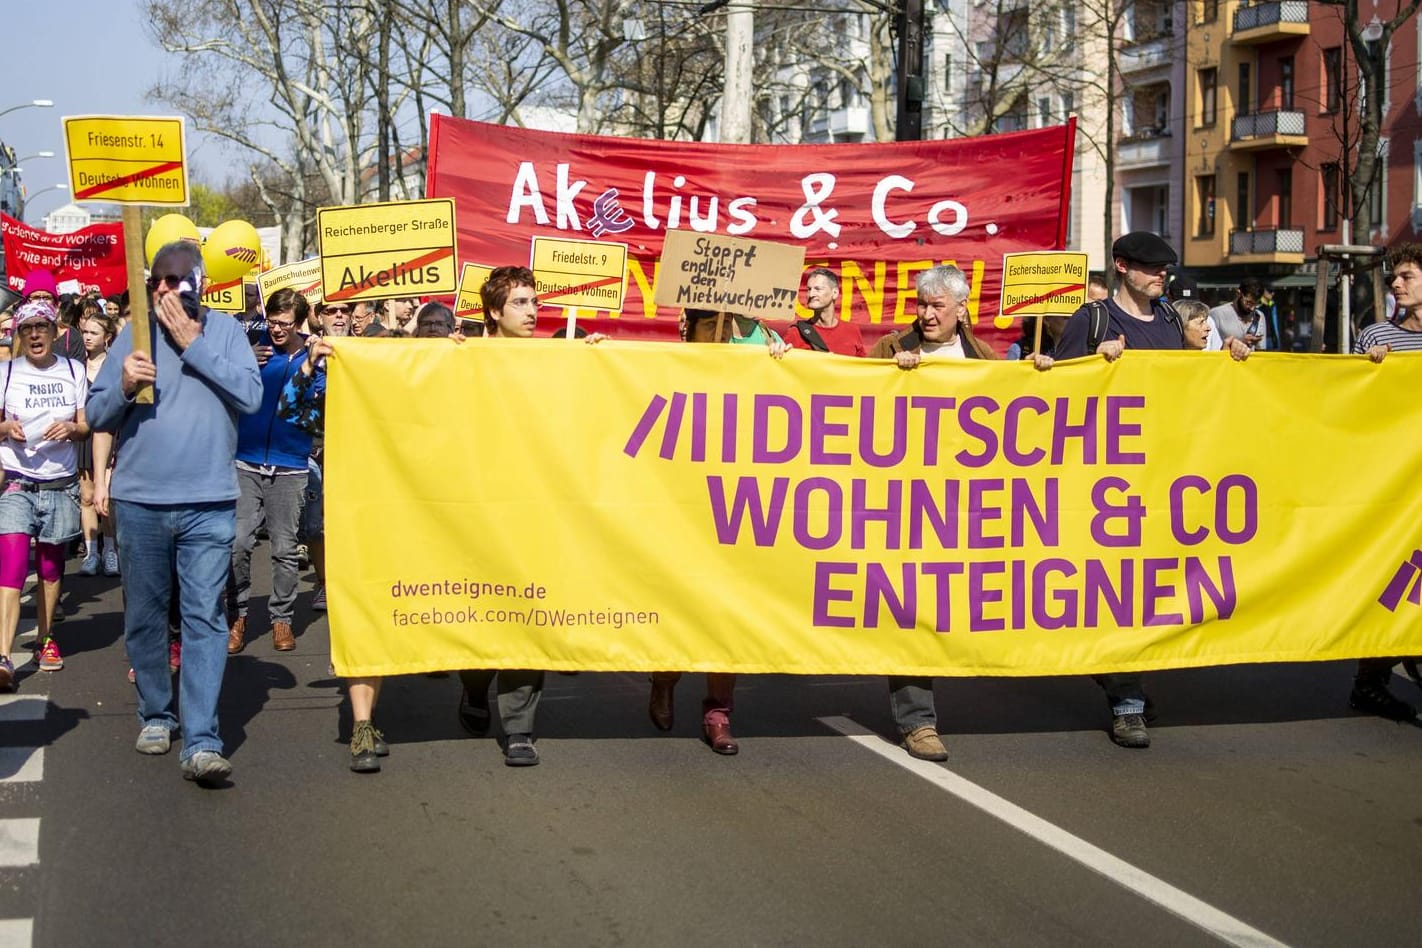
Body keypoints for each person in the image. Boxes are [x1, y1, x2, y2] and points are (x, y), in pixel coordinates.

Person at [1055, 231, 1249, 749]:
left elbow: (1190, 387)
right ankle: (1128, 703)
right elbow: (1051, 395)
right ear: (1122, 266)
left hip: (1161, 478)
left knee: (1143, 591)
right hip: (1104, 484)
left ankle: (1115, 673)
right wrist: (1093, 364)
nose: (1161, 276)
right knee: (1119, 590)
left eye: (1165, 269)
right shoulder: (1092, 321)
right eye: (1150, 268)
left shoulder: (1169, 322)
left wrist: (1223, 354)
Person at [86, 240, 262, 785]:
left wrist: (194, 345)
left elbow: (251, 397)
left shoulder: (227, 331)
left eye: (173, 280)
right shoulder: (133, 337)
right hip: (141, 503)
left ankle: (203, 739)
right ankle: (157, 715)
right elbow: (95, 412)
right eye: (155, 281)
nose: (161, 290)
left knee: (206, 618)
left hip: (209, 502)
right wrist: (122, 385)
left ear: (200, 283)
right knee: (143, 615)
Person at [863, 265, 995, 761]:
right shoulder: (891, 349)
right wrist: (888, 380)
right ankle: (918, 722)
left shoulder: (983, 356)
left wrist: (1037, 371)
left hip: (967, 503)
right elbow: (849, 404)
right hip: (907, 502)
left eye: (937, 306)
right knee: (910, 607)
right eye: (921, 304)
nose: (926, 314)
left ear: (961, 309)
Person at [647, 307, 789, 756]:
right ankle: (666, 676)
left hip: (740, 498)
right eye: (710, 323)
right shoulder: (676, 361)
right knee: (681, 600)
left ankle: (718, 714)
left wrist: (785, 363)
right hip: (685, 499)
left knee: (729, 609)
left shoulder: (764, 345)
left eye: (724, 323)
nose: (720, 331)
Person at [1348, 242, 1422, 720]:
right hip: (1395, 487)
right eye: (1394, 277)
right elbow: (1350, 409)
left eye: (1408, 276)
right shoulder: (1376, 335)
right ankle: (1372, 682)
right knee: (1396, 584)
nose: (1396, 284)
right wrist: (1366, 374)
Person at [0, 300, 89, 689]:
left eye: (41, 327)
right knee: (14, 563)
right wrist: (6, 428)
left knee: (51, 568)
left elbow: (87, 426)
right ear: (19, 336)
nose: (34, 335)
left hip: (60, 483)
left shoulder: (75, 370)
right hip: (17, 482)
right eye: (27, 329)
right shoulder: (4, 373)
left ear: (55, 333)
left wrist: (71, 428)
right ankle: (3, 656)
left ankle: (44, 639)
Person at [227, 288, 314, 655]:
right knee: (238, 542)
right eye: (273, 322)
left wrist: (313, 366)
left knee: (283, 548)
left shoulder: (315, 354)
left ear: (299, 323)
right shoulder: (251, 346)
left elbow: (317, 400)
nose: (277, 330)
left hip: (290, 465)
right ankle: (237, 613)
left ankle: (282, 618)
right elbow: (224, 382)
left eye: (285, 324)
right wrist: (244, 359)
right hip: (245, 461)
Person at [76, 312, 119, 576]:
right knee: (87, 497)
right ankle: (91, 552)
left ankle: (111, 551)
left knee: (108, 500)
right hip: (84, 436)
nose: (88, 337)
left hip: (110, 435)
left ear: (107, 337)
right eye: (85, 332)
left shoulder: (114, 366)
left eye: (94, 332)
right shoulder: (76, 367)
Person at [784, 267, 866, 356]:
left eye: (818, 289)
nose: (811, 294)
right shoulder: (796, 332)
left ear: (834, 293)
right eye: (809, 289)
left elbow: (862, 368)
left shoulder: (852, 331)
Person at [1210, 278, 1267, 351]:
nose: (1252, 308)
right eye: (1249, 302)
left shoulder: (1259, 316)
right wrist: (1241, 343)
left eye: (1256, 304)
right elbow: (1210, 348)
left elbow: (1261, 351)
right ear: (1238, 293)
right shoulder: (1216, 314)